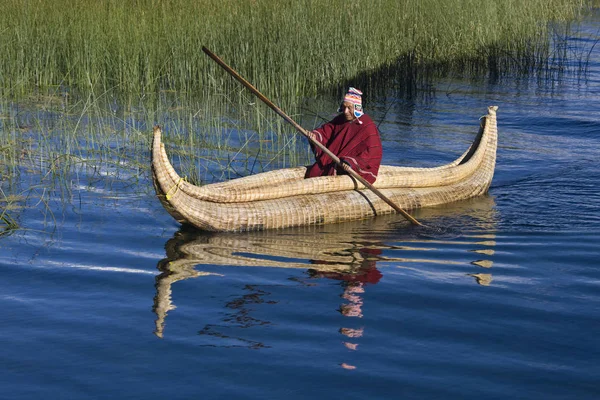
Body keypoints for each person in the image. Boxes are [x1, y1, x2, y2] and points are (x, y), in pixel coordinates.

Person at [305, 87, 382, 184]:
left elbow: (372, 153)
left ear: (357, 108)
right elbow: (325, 132)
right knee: (314, 172)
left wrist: (350, 163)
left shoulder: (367, 125)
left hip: (349, 168)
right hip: (334, 163)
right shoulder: (340, 119)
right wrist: (314, 136)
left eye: (349, 108)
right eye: (344, 107)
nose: (345, 111)